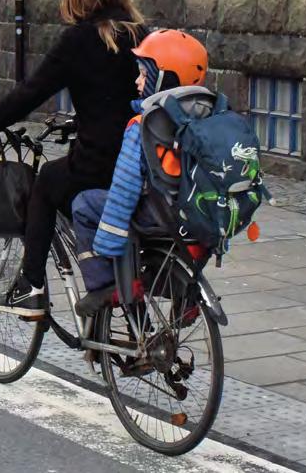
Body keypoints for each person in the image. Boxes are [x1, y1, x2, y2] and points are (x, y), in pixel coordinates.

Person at [0, 0, 148, 317]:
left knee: (49, 181)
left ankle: (31, 284)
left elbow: (31, 93)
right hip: (142, 163)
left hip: (100, 163)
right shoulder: (142, 35)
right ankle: (125, 318)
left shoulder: (79, 41)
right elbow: (118, 97)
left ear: (79, 2)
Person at [71, 29, 209, 316]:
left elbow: (125, 187)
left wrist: (109, 240)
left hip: (161, 215)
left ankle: (105, 285)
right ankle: (186, 298)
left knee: (84, 204)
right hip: (199, 217)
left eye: (144, 75)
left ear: (164, 80)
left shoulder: (147, 124)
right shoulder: (211, 116)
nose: (137, 81)